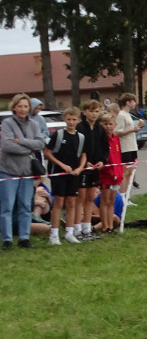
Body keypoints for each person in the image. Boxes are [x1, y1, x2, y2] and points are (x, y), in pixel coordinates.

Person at [0, 93, 48, 249]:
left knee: (25, 206)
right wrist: (28, 148)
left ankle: (24, 238)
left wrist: (21, 141)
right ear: (14, 107)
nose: (22, 109)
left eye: (25, 106)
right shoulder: (7, 124)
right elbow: (7, 145)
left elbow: (41, 143)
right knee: (7, 206)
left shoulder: (34, 124)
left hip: (27, 172)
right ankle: (7, 239)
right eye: (19, 106)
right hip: (8, 171)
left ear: (29, 108)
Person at [43, 107, 86, 245]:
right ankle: (54, 234)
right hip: (59, 173)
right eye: (69, 119)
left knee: (71, 203)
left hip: (73, 175)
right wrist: (62, 165)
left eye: (74, 120)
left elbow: (83, 155)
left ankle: (69, 232)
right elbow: (47, 152)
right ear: (64, 119)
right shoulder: (58, 135)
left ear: (78, 120)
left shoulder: (80, 137)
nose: (71, 122)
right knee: (59, 203)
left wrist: (80, 168)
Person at [75, 100, 106, 241]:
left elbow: (105, 149)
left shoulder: (100, 129)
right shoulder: (80, 128)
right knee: (80, 199)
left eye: (96, 111)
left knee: (90, 198)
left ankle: (87, 229)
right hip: (82, 168)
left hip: (95, 169)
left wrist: (102, 161)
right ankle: (76, 229)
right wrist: (83, 162)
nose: (94, 114)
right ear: (85, 112)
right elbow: (77, 148)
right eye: (91, 111)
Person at [114, 93, 144, 205]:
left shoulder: (128, 114)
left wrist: (136, 129)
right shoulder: (121, 115)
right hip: (125, 148)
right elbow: (117, 132)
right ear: (128, 102)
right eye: (133, 101)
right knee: (125, 173)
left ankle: (127, 196)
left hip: (132, 147)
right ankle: (122, 197)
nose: (135, 103)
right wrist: (132, 130)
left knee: (131, 172)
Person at [97, 112, 123, 234]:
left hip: (116, 175)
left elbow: (118, 157)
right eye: (105, 124)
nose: (108, 126)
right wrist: (109, 170)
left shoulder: (116, 139)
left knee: (112, 200)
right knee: (105, 200)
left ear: (115, 124)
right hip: (106, 175)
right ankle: (105, 226)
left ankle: (110, 227)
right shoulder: (102, 139)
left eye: (110, 124)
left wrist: (119, 172)